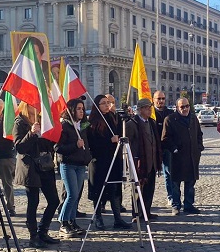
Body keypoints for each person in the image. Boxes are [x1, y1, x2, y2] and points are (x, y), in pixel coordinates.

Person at [13, 102, 61, 247]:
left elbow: (50, 144)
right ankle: (33, 236)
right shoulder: (20, 122)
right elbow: (19, 147)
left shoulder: (43, 120)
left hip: (45, 165)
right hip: (31, 167)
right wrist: (32, 133)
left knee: (54, 200)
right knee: (33, 203)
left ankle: (43, 231)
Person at [86, 95, 131, 230]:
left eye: (108, 103)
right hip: (98, 161)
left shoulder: (111, 117)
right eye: (103, 103)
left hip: (113, 158)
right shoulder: (92, 122)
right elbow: (92, 143)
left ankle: (118, 218)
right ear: (97, 106)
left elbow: (118, 133)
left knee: (114, 189)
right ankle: (98, 218)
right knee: (98, 191)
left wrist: (125, 120)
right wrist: (108, 141)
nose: (107, 105)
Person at [162, 97, 204, 215]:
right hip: (176, 158)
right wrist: (174, 149)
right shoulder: (170, 119)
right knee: (175, 183)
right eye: (182, 107)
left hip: (191, 156)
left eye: (187, 106)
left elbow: (199, 134)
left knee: (190, 183)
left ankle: (189, 205)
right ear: (177, 108)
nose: (185, 109)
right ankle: (176, 205)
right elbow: (165, 139)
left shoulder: (193, 118)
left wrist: (199, 148)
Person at [55, 99, 91, 237]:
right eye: (78, 109)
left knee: (77, 196)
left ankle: (72, 221)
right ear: (71, 110)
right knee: (71, 194)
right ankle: (63, 223)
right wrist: (75, 145)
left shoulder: (82, 126)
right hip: (68, 164)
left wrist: (88, 156)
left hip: (80, 165)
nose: (82, 111)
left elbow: (86, 144)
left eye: (82, 108)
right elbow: (58, 148)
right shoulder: (64, 126)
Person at [125, 98, 162, 221]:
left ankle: (147, 212)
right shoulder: (132, 124)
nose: (149, 110)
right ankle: (137, 214)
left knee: (149, 188)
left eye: (150, 107)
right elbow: (127, 144)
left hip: (151, 161)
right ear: (140, 110)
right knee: (137, 190)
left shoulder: (151, 122)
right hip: (139, 163)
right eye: (147, 108)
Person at [152, 91, 174, 208]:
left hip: (166, 148)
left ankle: (171, 197)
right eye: (158, 98)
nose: (161, 101)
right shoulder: (150, 113)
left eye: (163, 98)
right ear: (153, 99)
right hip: (152, 148)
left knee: (168, 173)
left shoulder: (170, 113)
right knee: (149, 174)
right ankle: (147, 200)